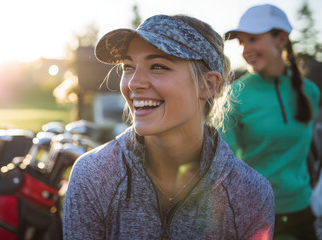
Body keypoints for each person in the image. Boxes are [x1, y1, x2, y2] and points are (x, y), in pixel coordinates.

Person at [63, 14, 275, 239]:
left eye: (157, 66)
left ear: (208, 85)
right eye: (128, 66)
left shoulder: (251, 193)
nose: (134, 82)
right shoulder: (94, 175)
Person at [222, 4, 320, 239]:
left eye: (253, 39)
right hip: (255, 216)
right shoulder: (235, 95)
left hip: (302, 212)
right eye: (242, 42)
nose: (246, 50)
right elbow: (225, 163)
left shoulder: (310, 92)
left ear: (281, 39)